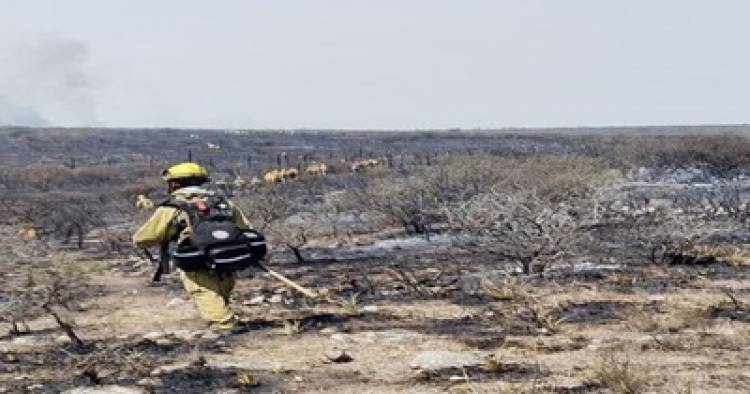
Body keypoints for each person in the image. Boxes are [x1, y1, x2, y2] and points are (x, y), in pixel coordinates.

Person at [133, 162, 251, 331]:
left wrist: (140, 241)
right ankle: (224, 315)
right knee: (219, 287)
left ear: (175, 183)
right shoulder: (222, 202)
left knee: (202, 289)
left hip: (196, 257)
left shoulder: (173, 206)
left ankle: (224, 323)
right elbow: (245, 227)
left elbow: (147, 236)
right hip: (227, 256)